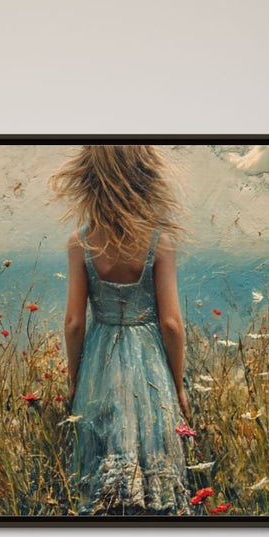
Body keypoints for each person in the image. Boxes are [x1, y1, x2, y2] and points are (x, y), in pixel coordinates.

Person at [50, 145, 192, 515]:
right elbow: (172, 324)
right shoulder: (160, 242)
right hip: (148, 361)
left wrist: (75, 379)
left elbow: (74, 322)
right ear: (144, 178)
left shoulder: (81, 241)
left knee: (103, 462)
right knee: (150, 449)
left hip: (99, 358)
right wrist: (177, 386)